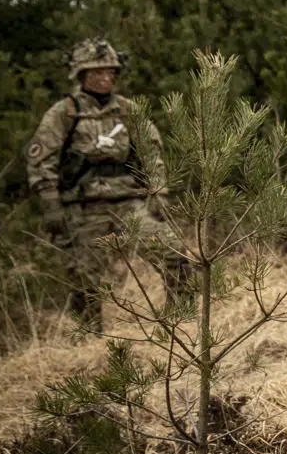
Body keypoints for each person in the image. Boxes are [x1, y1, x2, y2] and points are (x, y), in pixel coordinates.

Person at [25, 38, 183, 328]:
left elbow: (152, 155)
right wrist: (50, 202)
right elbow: (41, 160)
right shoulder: (64, 113)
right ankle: (88, 337)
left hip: (127, 202)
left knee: (173, 252)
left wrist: (159, 192)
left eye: (110, 71)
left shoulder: (128, 110)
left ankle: (184, 318)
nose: (105, 77)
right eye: (97, 72)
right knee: (85, 276)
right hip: (84, 208)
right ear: (81, 75)